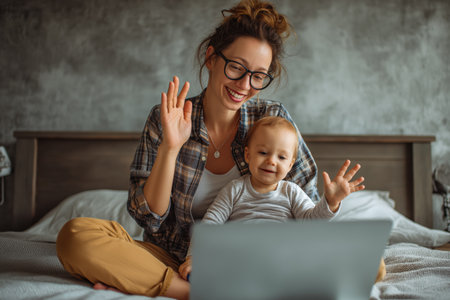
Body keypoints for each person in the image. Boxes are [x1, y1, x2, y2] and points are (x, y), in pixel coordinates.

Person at [55, 1, 356, 299]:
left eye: (258, 75)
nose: (245, 84)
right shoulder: (167, 119)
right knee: (76, 237)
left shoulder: (271, 119)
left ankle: (163, 285)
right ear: (211, 57)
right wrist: (171, 148)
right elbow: (150, 220)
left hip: (257, 259)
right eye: (236, 67)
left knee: (363, 261)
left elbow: (307, 210)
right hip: (175, 260)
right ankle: (192, 290)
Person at [179, 116, 365, 280]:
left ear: (291, 164)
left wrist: (331, 202)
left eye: (282, 157)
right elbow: (211, 223)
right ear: (247, 155)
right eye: (263, 153)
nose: (271, 161)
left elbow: (311, 221)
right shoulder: (235, 189)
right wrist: (193, 257)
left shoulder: (291, 191)